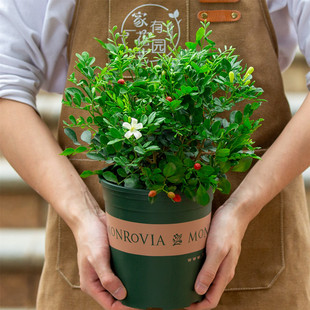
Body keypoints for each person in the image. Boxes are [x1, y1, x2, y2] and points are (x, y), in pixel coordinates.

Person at [0, 0, 309, 309]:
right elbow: (6, 83)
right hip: (102, 273)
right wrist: (82, 216)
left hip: (258, 257)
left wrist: (241, 209)